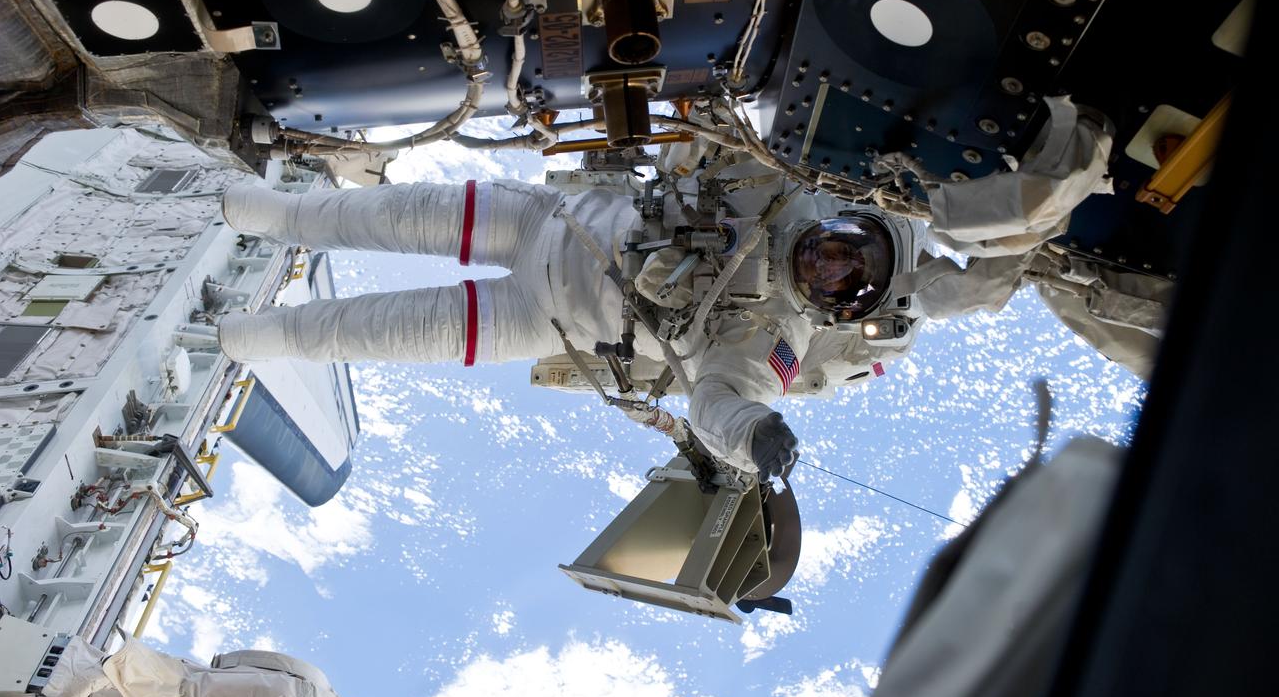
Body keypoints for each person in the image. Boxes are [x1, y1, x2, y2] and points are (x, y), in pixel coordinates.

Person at [218, 166, 923, 480]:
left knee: (378, 332)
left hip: (537, 319)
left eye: (844, 280)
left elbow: (720, 404)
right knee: (383, 214)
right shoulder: (783, 186)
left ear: (840, 316)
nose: (827, 265)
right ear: (845, 220)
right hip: (541, 219)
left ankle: (270, 338)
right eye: (842, 248)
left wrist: (755, 436)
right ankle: (277, 214)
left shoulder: (771, 338)